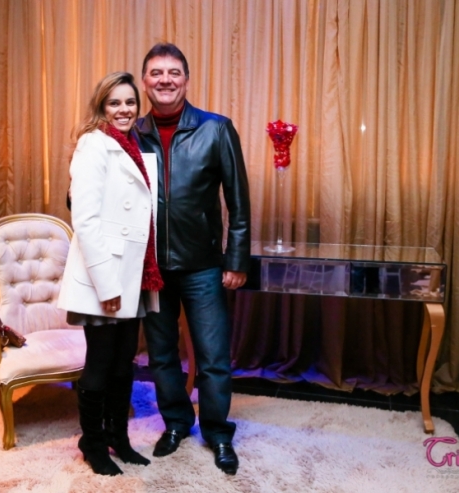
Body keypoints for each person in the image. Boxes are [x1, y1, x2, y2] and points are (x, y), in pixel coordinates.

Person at [136, 43, 251, 475]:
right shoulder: (131, 133)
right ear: (145, 81)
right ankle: (176, 423)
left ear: (186, 79)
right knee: (162, 355)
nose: (165, 80)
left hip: (203, 265)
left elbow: (238, 202)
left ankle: (218, 433)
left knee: (213, 356)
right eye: (156, 73)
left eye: (173, 72)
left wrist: (235, 260)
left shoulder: (216, 129)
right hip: (151, 268)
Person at [58, 72, 163, 476]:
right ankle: (93, 442)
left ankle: (118, 436)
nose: (124, 109)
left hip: (134, 273)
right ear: (102, 107)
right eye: (115, 103)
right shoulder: (93, 144)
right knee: (100, 364)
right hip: (104, 275)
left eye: (130, 102)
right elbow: (85, 221)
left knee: (124, 363)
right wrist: (107, 285)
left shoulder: (134, 145)